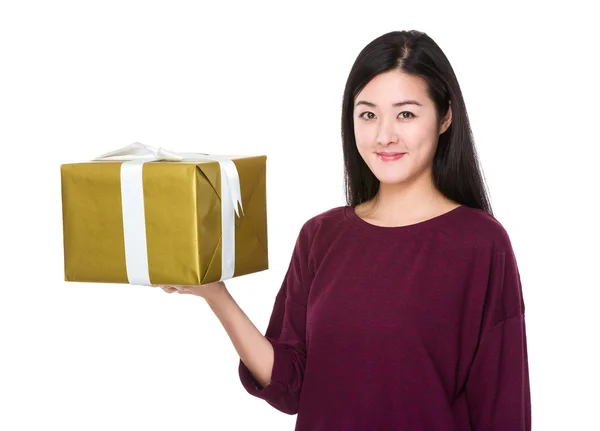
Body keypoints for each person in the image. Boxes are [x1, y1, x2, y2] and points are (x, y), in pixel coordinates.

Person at [156, 30, 532, 430]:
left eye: (406, 113)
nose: (384, 135)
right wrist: (215, 294)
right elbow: (290, 386)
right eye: (368, 114)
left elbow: (502, 408)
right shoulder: (321, 235)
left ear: (445, 116)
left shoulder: (480, 243)